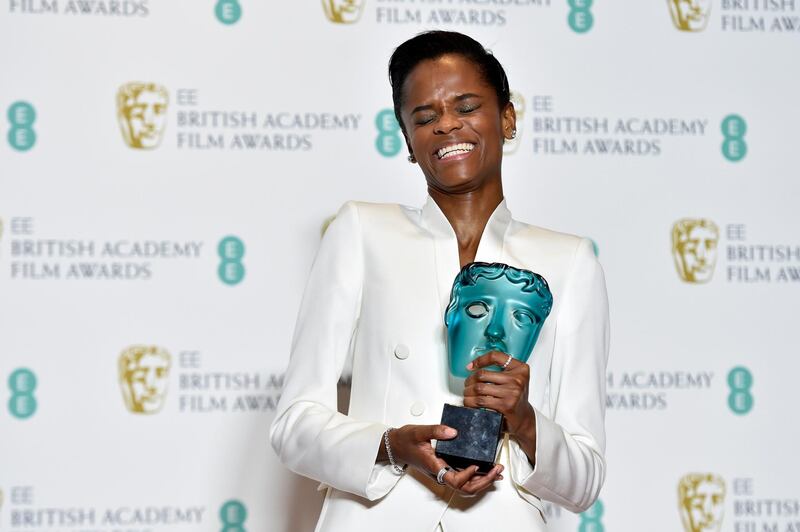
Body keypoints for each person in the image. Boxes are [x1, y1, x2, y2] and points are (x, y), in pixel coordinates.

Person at [270, 30, 609, 531]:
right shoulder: (362, 231)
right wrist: (390, 445)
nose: (448, 125)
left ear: (507, 118)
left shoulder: (570, 261)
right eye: (425, 117)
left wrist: (525, 420)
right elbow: (293, 425)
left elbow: (585, 480)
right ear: (408, 141)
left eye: (467, 106)